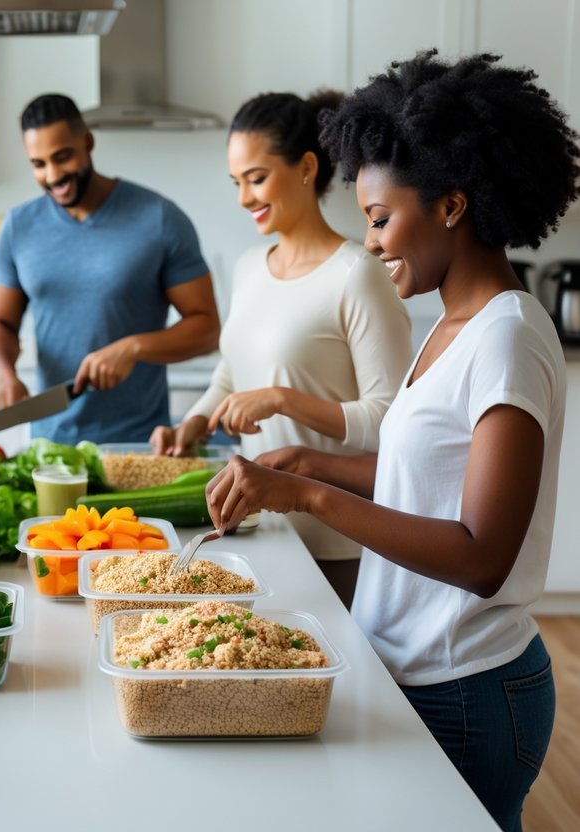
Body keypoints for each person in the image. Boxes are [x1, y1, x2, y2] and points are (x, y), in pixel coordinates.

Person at [206, 51, 578, 831]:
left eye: (379, 218)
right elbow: (424, 476)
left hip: (469, 687)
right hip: (417, 668)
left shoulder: (506, 338)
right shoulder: (451, 324)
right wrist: (308, 462)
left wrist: (310, 495)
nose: (370, 242)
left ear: (450, 205)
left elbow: (480, 556)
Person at [150, 91, 412, 607]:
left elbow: (392, 423)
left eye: (256, 178)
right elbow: (234, 368)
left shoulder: (357, 274)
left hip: (335, 542)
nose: (244, 197)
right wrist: (197, 422)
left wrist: (282, 398)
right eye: (237, 183)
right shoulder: (250, 267)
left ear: (307, 167)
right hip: (258, 531)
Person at [0, 93, 219, 445]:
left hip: (139, 444)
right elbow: (0, 322)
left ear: (88, 142)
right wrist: (4, 376)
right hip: (49, 446)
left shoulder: (159, 219)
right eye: (38, 164)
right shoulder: (18, 227)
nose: (53, 175)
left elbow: (206, 328)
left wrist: (134, 347)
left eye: (62, 157)